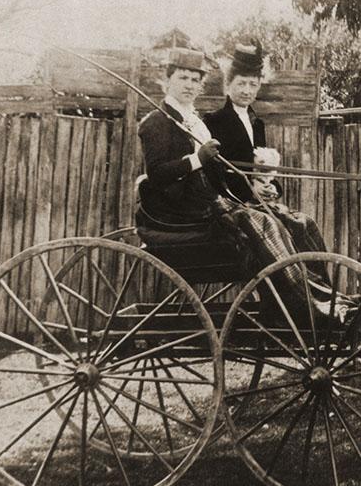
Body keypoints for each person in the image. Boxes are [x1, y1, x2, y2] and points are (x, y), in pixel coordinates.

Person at [136, 47, 332, 316]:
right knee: (264, 223)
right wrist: (197, 159)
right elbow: (157, 173)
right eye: (183, 78)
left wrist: (249, 189)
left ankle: (322, 294)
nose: (190, 85)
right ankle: (303, 304)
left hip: (212, 202)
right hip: (184, 211)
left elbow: (218, 176)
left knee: (296, 221)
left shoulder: (193, 121)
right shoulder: (157, 122)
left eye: (195, 80)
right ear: (168, 79)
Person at [203, 43, 329, 257]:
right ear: (228, 84)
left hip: (258, 202)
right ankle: (294, 287)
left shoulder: (256, 123)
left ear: (259, 85)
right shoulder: (214, 122)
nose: (246, 90)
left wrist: (271, 187)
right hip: (235, 205)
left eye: (253, 84)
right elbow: (216, 174)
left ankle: (321, 286)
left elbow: (262, 168)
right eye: (241, 83)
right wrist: (250, 189)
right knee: (280, 228)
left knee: (305, 223)